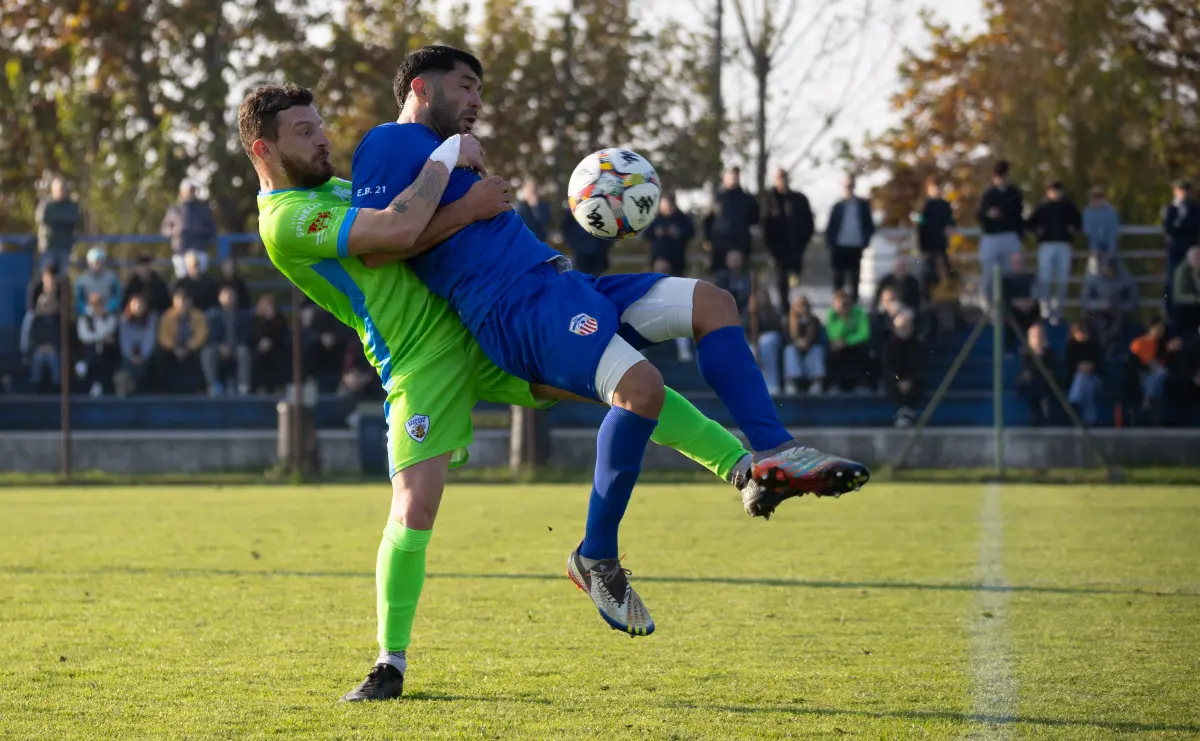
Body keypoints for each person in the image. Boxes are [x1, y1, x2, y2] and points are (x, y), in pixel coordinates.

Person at [238, 77, 864, 700]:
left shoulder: (336, 188)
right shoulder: (288, 220)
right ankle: (389, 662)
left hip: (478, 325)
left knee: (625, 384)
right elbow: (395, 235)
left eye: (319, 126)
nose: (323, 139)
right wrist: (454, 175)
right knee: (415, 507)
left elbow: (412, 232)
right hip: (418, 358)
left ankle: (744, 467)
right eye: (304, 132)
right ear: (264, 149)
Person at [1026, 181, 1081, 323]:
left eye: (1058, 190)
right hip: (1046, 246)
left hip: (1064, 245)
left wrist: (1071, 230)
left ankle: (1058, 312)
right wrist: (1039, 231)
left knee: (1062, 279)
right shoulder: (1042, 207)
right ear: (1048, 192)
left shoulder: (1068, 206)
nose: (1055, 193)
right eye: (1052, 190)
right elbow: (1030, 223)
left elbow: (1078, 222)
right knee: (1045, 278)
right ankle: (1045, 311)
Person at [762, 169, 814, 306]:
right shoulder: (770, 200)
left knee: (794, 278)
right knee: (781, 279)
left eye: (784, 177)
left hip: (796, 248)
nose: (782, 181)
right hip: (778, 249)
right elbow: (765, 225)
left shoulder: (799, 199)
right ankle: (784, 306)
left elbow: (808, 222)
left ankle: (796, 306)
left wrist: (803, 242)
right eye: (779, 178)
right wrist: (771, 246)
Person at [976, 161, 1024, 305]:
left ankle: (1008, 305)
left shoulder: (1014, 194)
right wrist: (988, 214)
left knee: (1010, 273)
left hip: (1010, 236)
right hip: (991, 237)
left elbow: (1019, 217)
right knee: (989, 273)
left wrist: (1020, 238)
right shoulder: (988, 194)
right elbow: (979, 215)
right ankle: (988, 304)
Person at [825, 175, 875, 302]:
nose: (849, 188)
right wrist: (830, 244)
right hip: (839, 246)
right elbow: (831, 226)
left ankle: (854, 306)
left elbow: (869, 225)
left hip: (855, 246)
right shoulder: (838, 206)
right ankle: (837, 305)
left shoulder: (862, 205)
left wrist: (865, 242)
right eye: (847, 186)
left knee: (854, 280)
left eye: (851, 186)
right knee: (838, 280)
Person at [703, 167, 759, 272]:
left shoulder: (748, 200)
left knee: (739, 278)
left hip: (740, 248)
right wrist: (708, 241)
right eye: (730, 175)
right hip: (720, 249)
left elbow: (754, 219)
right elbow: (708, 221)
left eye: (735, 175)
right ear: (724, 178)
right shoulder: (717, 198)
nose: (733, 178)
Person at [1081, 255, 1138, 355]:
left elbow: (1133, 301)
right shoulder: (1093, 280)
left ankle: (1112, 348)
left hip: (1118, 312)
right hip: (1097, 312)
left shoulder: (1127, 280)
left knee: (1119, 322)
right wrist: (1100, 305)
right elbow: (1086, 301)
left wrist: (1118, 306)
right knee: (1093, 320)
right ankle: (1101, 348)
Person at [154, 288, 208, 394]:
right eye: (178, 300)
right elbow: (163, 336)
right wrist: (175, 347)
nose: (181, 303)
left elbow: (201, 335)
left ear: (190, 301)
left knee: (204, 353)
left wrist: (188, 347)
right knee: (159, 355)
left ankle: (200, 388)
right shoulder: (167, 316)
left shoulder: (199, 316)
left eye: (185, 300)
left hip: (191, 348)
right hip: (173, 348)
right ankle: (162, 388)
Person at [201, 286, 252, 396]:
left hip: (237, 347)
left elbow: (246, 336)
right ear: (219, 298)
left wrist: (232, 347)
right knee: (207, 353)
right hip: (218, 347)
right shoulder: (213, 316)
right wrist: (220, 347)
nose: (228, 298)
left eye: (231, 295)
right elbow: (210, 336)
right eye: (225, 295)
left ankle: (243, 385)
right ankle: (213, 385)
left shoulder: (243, 316)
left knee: (244, 352)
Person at [162, 180, 218, 278]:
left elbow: (212, 229)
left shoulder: (203, 209)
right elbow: (165, 229)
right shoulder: (174, 209)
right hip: (180, 251)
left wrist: (202, 233)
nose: (190, 193)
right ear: (181, 192)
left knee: (200, 279)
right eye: (188, 191)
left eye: (192, 191)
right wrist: (173, 231)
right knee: (182, 279)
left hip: (199, 250)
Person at [1129, 318, 1179, 424]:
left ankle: (1148, 400)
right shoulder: (1139, 343)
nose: (1161, 331)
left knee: (1161, 376)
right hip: (1142, 376)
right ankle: (1148, 399)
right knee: (1160, 374)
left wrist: (1169, 351)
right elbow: (1150, 364)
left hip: (1157, 378)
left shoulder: (1161, 344)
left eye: (1162, 329)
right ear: (1151, 328)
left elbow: (1163, 363)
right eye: (1158, 328)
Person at [825, 289, 872, 393]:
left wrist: (847, 342)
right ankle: (835, 384)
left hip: (854, 344)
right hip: (838, 345)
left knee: (863, 349)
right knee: (832, 350)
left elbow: (864, 334)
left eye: (845, 304)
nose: (843, 307)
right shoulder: (831, 314)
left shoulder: (859, 312)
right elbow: (833, 334)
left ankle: (861, 383)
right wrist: (843, 318)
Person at [881, 309, 922, 427]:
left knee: (918, 382)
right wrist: (899, 380)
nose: (903, 329)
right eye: (901, 327)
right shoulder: (889, 346)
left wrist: (909, 380)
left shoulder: (917, 345)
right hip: (896, 378)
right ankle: (901, 411)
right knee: (891, 381)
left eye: (906, 326)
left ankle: (908, 411)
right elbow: (889, 367)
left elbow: (920, 366)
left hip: (912, 378)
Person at [1163, 180, 1200, 309]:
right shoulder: (1170, 209)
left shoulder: (1195, 208)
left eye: (1186, 191)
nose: (1184, 194)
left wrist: (1181, 224)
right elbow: (1169, 228)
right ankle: (1171, 312)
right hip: (1175, 250)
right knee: (1172, 281)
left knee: (1192, 280)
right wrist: (1181, 222)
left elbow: (1196, 225)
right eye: (1181, 190)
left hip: (1191, 250)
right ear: (1175, 192)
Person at [76, 290, 121, 396]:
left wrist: (100, 318)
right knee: (82, 366)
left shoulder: (110, 317)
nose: (97, 306)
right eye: (94, 303)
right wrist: (100, 338)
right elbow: (84, 336)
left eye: (99, 302)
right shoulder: (83, 319)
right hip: (87, 354)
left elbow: (110, 330)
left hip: (107, 354)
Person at [35, 177, 81, 274]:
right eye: (58, 189)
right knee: (47, 273)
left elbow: (74, 219)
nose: (61, 192)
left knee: (62, 276)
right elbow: (41, 219)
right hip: (48, 246)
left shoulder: (71, 206)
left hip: (65, 246)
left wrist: (56, 219)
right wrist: (62, 219)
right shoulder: (46, 204)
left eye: (63, 189)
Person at [916, 178, 955, 289]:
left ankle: (944, 292)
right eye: (934, 187)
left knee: (944, 270)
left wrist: (949, 226)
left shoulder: (945, 205)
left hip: (941, 245)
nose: (937, 189)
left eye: (938, 187)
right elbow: (920, 226)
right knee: (927, 274)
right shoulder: (924, 205)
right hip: (927, 245)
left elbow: (950, 221)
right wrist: (922, 248)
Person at [116, 294, 159, 396]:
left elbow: (149, 340)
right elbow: (124, 341)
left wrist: (142, 356)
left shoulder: (151, 321)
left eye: (141, 304)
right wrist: (131, 356)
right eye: (135, 304)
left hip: (145, 356)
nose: (138, 306)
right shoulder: (124, 321)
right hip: (128, 356)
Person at [645, 193, 694, 278]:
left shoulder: (682, 218)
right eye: (664, 204)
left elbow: (690, 232)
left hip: (676, 259)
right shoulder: (655, 219)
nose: (667, 207)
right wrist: (656, 232)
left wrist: (678, 232)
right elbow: (646, 233)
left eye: (669, 205)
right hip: (659, 257)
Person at [783, 294, 825, 395]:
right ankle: (792, 382)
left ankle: (816, 382)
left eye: (806, 305)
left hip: (810, 347)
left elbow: (817, 338)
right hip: (795, 347)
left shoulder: (815, 321)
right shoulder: (787, 320)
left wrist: (808, 342)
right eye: (800, 306)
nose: (803, 308)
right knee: (789, 350)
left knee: (817, 350)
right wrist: (797, 342)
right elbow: (785, 338)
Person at [1063, 321, 1104, 425]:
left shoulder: (1095, 347)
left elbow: (1100, 365)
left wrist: (1090, 367)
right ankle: (1090, 419)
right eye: (1079, 332)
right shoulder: (1071, 348)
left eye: (1084, 332)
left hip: (1094, 378)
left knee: (1084, 380)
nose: (1082, 335)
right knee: (1083, 381)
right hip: (1076, 380)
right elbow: (1069, 366)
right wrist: (1079, 367)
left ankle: (1073, 400)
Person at [1017, 323, 1058, 426]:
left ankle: (1039, 416)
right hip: (1029, 381)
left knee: (1042, 384)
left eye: (1040, 335)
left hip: (1045, 381)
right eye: (1035, 336)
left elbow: (1052, 367)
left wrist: (1041, 355)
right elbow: (1028, 368)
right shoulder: (1025, 353)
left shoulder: (1049, 353)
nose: (1038, 339)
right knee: (1034, 383)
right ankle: (1040, 415)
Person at [20, 293, 61, 393]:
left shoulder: (59, 320)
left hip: (54, 349)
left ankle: (57, 386)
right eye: (45, 305)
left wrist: (53, 346)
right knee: (38, 357)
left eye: (50, 305)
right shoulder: (35, 320)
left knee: (53, 357)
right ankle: (35, 385)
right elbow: (31, 337)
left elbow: (61, 337)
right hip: (38, 349)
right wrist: (39, 347)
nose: (48, 307)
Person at [250, 294, 290, 394]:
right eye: (266, 305)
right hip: (259, 348)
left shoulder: (280, 319)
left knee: (280, 357)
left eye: (271, 305)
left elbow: (282, 334)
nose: (269, 308)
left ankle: (278, 387)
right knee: (257, 358)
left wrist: (271, 341)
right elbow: (254, 335)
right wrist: (261, 343)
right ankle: (261, 387)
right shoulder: (255, 319)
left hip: (277, 346)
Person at [1002, 251, 1039, 354]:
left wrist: (1029, 303)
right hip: (1013, 311)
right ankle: (1009, 351)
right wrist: (1017, 303)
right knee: (1009, 318)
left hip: (1030, 311)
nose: (1018, 265)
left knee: (1035, 320)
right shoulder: (1006, 279)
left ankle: (1034, 350)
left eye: (1020, 262)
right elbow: (1004, 297)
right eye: (1016, 263)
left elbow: (1036, 294)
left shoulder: (1031, 278)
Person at [560, 201, 611, 276]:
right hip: (581, 249)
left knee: (595, 276)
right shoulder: (574, 207)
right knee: (581, 276)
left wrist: (605, 244)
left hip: (598, 249)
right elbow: (566, 227)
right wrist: (573, 243)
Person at [74, 247, 121, 316]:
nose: (98, 266)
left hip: (108, 315)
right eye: (95, 262)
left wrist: (108, 308)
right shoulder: (81, 280)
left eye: (100, 262)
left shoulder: (112, 278)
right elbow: (78, 300)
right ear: (89, 263)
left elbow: (117, 297)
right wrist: (87, 310)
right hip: (87, 315)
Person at [928, 257, 962, 348]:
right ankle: (945, 331)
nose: (941, 270)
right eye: (938, 268)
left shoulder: (953, 281)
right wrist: (943, 284)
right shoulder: (932, 281)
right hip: (936, 306)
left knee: (945, 306)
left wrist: (945, 281)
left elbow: (954, 296)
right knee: (942, 307)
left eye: (943, 267)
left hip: (951, 305)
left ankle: (944, 336)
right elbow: (934, 296)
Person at [1170, 246, 1200, 339]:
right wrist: (1195, 299)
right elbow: (1179, 295)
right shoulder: (1181, 271)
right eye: (1196, 258)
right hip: (1187, 306)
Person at [1082, 186, 1120, 256]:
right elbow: (1087, 230)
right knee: (1093, 260)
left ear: (1104, 197)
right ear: (1091, 198)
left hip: (1109, 246)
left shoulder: (1111, 211)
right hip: (1094, 247)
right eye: (1095, 196)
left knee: (1112, 259)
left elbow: (1114, 230)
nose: (1097, 198)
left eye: (1100, 196)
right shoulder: (1088, 211)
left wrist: (1111, 251)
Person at [713, 249, 752, 317]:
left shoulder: (748, 277)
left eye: (737, 259)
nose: (735, 262)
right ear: (727, 261)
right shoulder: (721, 277)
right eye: (733, 260)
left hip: (745, 312)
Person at [513, 178, 551, 243]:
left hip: (541, 240)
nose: (533, 193)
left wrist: (535, 207)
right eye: (530, 190)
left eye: (534, 190)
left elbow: (544, 222)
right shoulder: (520, 207)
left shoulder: (544, 205)